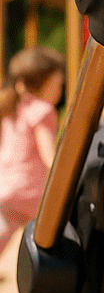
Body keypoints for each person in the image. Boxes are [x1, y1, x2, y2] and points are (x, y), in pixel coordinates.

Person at [0, 46, 65, 257]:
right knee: (57, 229)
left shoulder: (12, 106)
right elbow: (48, 155)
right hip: (31, 191)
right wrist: (66, 173)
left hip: (6, 185)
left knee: (2, 233)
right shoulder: (42, 110)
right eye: (57, 84)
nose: (60, 91)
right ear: (39, 84)